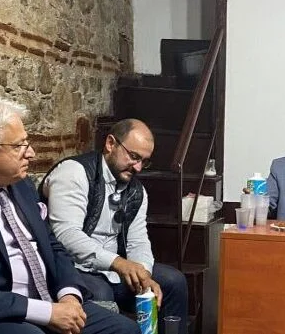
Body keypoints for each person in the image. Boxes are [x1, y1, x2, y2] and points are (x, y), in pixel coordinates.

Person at [0, 96, 138, 334]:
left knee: (124, 329)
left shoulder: (19, 183)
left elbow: (52, 245)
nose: (31, 153)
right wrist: (46, 313)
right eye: (19, 146)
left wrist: (69, 295)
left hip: (50, 300)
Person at [41, 119, 188, 333]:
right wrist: (118, 263)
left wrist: (143, 273)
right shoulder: (74, 172)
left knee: (173, 281)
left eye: (144, 161)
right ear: (111, 144)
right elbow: (67, 235)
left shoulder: (137, 191)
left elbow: (138, 240)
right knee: (101, 293)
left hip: (114, 270)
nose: (138, 167)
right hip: (72, 268)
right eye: (134, 156)